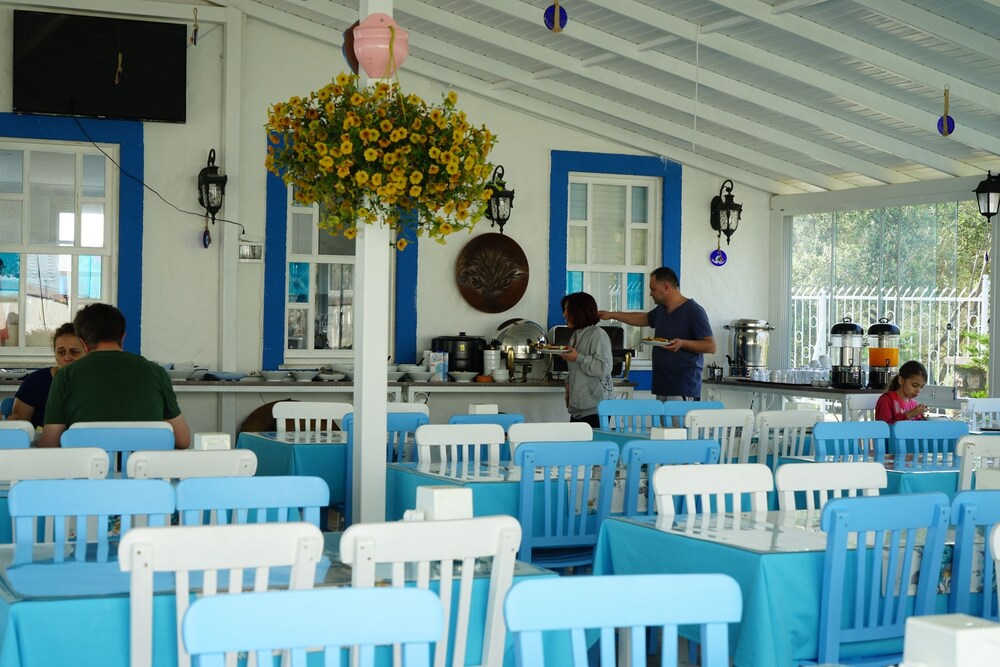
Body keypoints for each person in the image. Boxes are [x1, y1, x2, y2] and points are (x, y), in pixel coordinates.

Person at [39, 303, 191, 448]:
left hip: (86, 465)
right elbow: (183, 440)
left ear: (82, 343)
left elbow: (50, 443)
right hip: (142, 466)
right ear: (123, 337)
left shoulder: (65, 376)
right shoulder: (156, 372)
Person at [598, 267, 716, 401]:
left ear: (666, 287)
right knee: (663, 416)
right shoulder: (661, 310)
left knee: (678, 416)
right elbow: (643, 318)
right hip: (662, 384)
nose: (650, 293)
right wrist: (612, 315)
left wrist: (683, 343)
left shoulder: (694, 311)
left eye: (653, 289)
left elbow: (710, 346)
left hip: (683, 386)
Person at [10, 322, 85, 429]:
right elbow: (18, 424)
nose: (67, 358)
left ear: (87, 352)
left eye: (74, 352)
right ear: (54, 353)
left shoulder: (93, 382)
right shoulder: (35, 381)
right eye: (61, 352)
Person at [559, 292, 613, 428]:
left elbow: (604, 368)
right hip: (577, 408)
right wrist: (568, 386)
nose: (564, 315)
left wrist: (577, 357)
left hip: (596, 409)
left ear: (580, 312)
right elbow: (575, 369)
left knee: (592, 442)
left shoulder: (598, 334)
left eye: (567, 310)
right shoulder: (575, 336)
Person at [875, 360, 928, 425]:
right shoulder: (887, 400)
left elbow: (916, 428)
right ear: (901, 380)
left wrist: (922, 419)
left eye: (921, 387)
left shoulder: (914, 404)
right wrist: (909, 414)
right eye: (914, 385)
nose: (918, 390)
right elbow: (884, 428)